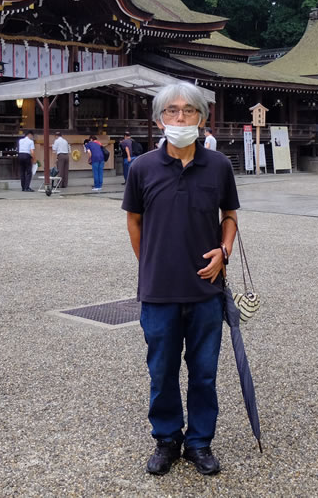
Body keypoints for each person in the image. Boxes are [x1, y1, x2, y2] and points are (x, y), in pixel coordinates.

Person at [122, 82, 239, 477]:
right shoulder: (142, 168)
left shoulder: (218, 166)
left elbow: (230, 216)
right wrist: (151, 263)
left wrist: (223, 252)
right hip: (159, 291)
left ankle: (200, 442)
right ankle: (167, 439)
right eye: (172, 111)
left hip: (206, 290)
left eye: (189, 111)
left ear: (202, 119)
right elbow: (134, 221)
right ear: (159, 120)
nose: (180, 117)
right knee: (162, 369)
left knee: (204, 371)